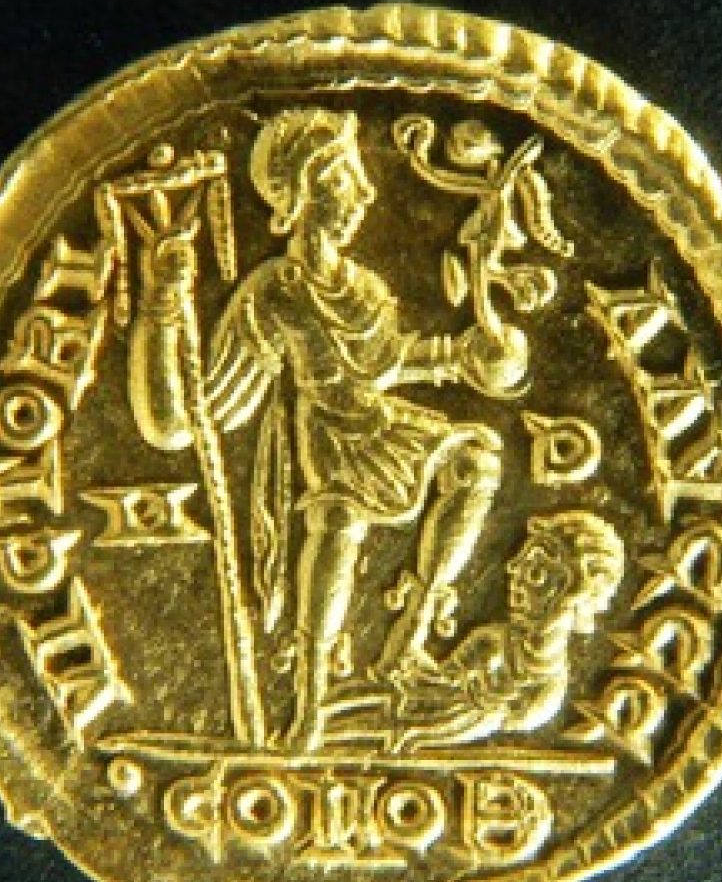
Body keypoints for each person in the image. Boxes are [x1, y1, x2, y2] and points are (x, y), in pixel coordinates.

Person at [129, 107, 524, 750]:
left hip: (382, 422)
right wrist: (164, 306)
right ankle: (310, 702)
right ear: (303, 192)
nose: (365, 194)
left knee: (476, 462)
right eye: (344, 178)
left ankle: (412, 632)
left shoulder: (363, 286)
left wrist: (462, 357)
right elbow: (181, 423)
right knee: (338, 519)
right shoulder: (274, 293)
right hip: (330, 438)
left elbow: (388, 361)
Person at [388, 510, 625, 752]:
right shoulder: (488, 640)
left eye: (535, 572)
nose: (513, 569)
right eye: (519, 562)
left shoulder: (546, 693)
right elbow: (437, 683)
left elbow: (488, 720)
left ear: (570, 591)